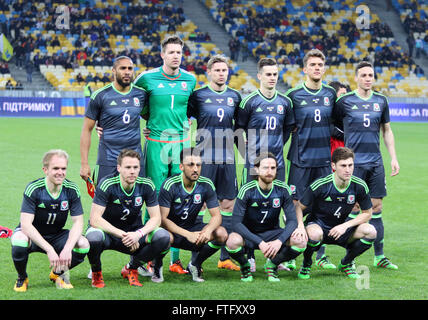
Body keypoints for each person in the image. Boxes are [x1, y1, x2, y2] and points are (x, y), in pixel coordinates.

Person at [134, 35, 197, 274]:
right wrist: (146, 120)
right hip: (156, 145)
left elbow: (191, 107)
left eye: (179, 52)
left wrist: (189, 121)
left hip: (180, 145)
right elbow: (133, 102)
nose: (176, 56)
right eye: (171, 52)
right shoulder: (147, 78)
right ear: (162, 55)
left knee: (180, 199)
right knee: (155, 199)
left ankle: (175, 259)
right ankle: (150, 255)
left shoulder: (190, 80)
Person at [334, 61, 400, 270]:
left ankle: (379, 257)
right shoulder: (344, 101)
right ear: (357, 78)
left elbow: (387, 130)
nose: (368, 78)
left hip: (376, 162)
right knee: (355, 208)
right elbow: (332, 126)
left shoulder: (381, 100)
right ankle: (349, 259)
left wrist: (393, 158)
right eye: (363, 75)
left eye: (371, 75)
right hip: (353, 164)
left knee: (377, 207)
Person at [235, 57, 295, 271]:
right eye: (268, 74)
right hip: (252, 163)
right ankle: (249, 255)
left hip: (277, 163)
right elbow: (238, 132)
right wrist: (248, 157)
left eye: (275, 74)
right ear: (259, 76)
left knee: (276, 206)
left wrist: (276, 150)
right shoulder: (249, 101)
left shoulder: (285, 102)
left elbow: (287, 130)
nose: (272, 78)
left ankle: (276, 257)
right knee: (248, 209)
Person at [284, 49, 338, 270]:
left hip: (324, 162)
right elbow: (284, 127)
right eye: (313, 65)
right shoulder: (293, 95)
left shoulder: (331, 95)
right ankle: (287, 256)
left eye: (320, 65)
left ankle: (319, 255)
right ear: (304, 69)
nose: (317, 68)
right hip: (300, 160)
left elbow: (337, 125)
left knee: (322, 208)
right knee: (295, 206)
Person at [85, 149, 171, 288]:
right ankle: (96, 273)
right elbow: (95, 219)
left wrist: (138, 234)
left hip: (134, 234)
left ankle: (132, 268)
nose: (132, 171)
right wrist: (122, 234)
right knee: (93, 237)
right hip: (109, 233)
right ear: (119, 168)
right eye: (128, 167)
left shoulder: (146, 185)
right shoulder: (107, 183)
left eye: (136, 167)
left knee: (163, 237)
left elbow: (156, 218)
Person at [187, 54, 242, 271]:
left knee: (228, 204)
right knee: (199, 204)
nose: (221, 73)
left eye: (224, 70)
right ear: (208, 72)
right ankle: (194, 258)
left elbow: (239, 129)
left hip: (227, 159)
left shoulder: (235, 97)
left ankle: (224, 257)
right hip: (203, 159)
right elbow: (182, 118)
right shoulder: (198, 96)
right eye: (217, 70)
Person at [11, 150, 89, 292]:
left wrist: (67, 249)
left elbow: (78, 222)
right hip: (33, 235)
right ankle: (22, 278)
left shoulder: (72, 189)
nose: (60, 172)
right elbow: (26, 225)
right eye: (55, 168)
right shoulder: (34, 189)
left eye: (63, 168)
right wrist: (50, 250)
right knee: (19, 238)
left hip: (56, 235)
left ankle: (57, 273)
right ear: (45, 170)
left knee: (83, 244)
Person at [296, 147, 377, 279]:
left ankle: (346, 263)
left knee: (371, 231)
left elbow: (367, 213)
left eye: (350, 165)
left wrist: (345, 226)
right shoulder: (321, 184)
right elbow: (298, 207)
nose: (347, 169)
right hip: (318, 226)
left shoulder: (359, 185)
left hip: (341, 229)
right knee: (315, 233)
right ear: (333, 165)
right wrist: (300, 225)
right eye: (343, 165)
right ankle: (306, 263)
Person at [225, 152, 307, 282]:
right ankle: (245, 266)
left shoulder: (283, 189)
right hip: (250, 235)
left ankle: (273, 264)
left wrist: (279, 241)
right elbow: (236, 223)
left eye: (273, 168)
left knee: (301, 241)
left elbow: (292, 220)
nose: (269, 171)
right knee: (231, 241)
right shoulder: (247, 190)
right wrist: (260, 243)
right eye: (265, 168)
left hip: (273, 234)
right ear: (256, 169)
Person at [155, 148, 228, 282]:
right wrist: (187, 234)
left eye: (198, 165)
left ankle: (195, 264)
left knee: (221, 233)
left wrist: (208, 231)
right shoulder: (170, 184)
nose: (195, 169)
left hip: (193, 229)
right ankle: (157, 266)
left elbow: (217, 216)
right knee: (163, 237)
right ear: (181, 167)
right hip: (172, 231)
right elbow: (162, 220)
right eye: (191, 165)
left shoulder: (206, 184)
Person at [80, 56, 147, 188]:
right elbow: (86, 130)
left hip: (135, 160)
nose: (127, 72)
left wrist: (184, 120)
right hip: (108, 159)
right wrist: (84, 163)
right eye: (123, 68)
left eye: (130, 68)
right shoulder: (100, 96)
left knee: (136, 203)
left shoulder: (142, 94)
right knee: (102, 204)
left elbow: (153, 116)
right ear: (114, 71)